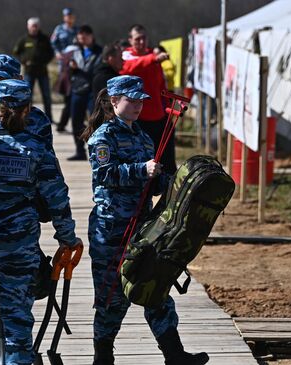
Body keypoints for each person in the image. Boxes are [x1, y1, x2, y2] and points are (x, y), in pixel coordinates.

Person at [0, 79, 82, 365]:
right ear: (27, 109)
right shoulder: (37, 149)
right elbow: (56, 198)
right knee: (17, 322)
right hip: (20, 245)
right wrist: (67, 238)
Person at [85, 75, 209, 365]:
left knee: (155, 288)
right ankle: (103, 356)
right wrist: (141, 170)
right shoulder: (103, 137)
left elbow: (152, 183)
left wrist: (176, 185)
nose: (139, 105)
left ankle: (174, 354)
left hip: (142, 227)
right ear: (114, 101)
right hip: (111, 228)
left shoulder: (142, 137)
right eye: (132, 100)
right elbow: (104, 175)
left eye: (141, 100)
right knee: (112, 298)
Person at [121, 24, 176, 174]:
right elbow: (128, 68)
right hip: (137, 119)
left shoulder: (154, 56)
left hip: (159, 116)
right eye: (137, 39)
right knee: (143, 160)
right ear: (130, 40)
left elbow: (160, 85)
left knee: (166, 161)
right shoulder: (127, 55)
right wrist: (153, 58)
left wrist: (167, 107)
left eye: (144, 38)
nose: (141, 42)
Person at [67, 25, 102, 161]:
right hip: (77, 89)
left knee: (95, 121)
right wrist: (71, 68)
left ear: (91, 36)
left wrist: (80, 69)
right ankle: (79, 150)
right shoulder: (75, 50)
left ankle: (97, 150)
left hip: (92, 91)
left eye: (84, 37)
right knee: (76, 121)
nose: (82, 40)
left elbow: (98, 70)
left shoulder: (99, 51)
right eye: (80, 37)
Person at [13, 17, 55, 120]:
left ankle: (49, 117)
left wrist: (45, 61)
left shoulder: (45, 39)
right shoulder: (24, 40)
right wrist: (23, 61)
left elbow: (51, 53)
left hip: (42, 71)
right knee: (27, 96)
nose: (34, 28)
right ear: (28, 27)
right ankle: (27, 116)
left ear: (39, 27)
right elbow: (16, 52)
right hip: (29, 72)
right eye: (32, 26)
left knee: (46, 96)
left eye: (36, 26)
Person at [51, 7, 80, 132]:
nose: (69, 18)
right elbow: (53, 43)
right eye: (67, 16)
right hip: (64, 64)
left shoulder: (77, 30)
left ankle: (69, 121)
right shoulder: (59, 29)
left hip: (76, 63)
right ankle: (65, 121)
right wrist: (57, 53)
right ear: (64, 17)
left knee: (75, 92)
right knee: (67, 91)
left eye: (71, 16)